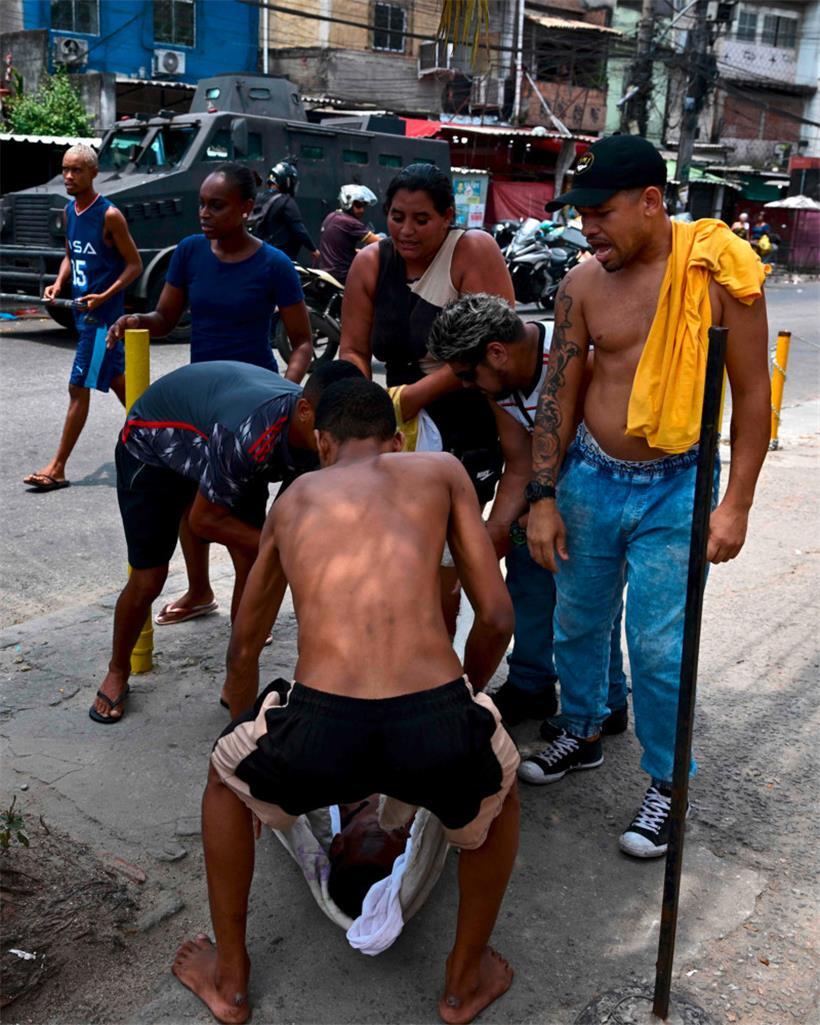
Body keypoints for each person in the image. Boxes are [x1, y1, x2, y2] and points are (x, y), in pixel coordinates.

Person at [172, 379, 519, 1025]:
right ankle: (461, 983)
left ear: (323, 443)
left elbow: (244, 647)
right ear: (396, 442)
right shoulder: (442, 471)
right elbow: (496, 616)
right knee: (499, 792)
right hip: (435, 720)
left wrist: (249, 758)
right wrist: (465, 699)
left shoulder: (295, 497)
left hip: (320, 729)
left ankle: (232, 980)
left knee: (223, 780)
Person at [522, 134, 770, 858]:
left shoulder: (718, 274)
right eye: (581, 213)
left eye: (600, 212)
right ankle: (582, 728)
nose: (587, 228)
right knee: (577, 622)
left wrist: (737, 504)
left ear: (651, 202)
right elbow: (559, 393)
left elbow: (754, 397)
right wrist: (544, 494)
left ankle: (668, 783)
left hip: (680, 484)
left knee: (660, 649)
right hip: (591, 479)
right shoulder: (580, 285)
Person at [89, 359, 361, 725]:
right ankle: (117, 670)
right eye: (327, 437)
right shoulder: (248, 435)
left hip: (218, 444)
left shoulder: (326, 434)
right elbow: (205, 521)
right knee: (149, 578)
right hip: (153, 446)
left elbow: (289, 531)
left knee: (255, 558)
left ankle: (238, 674)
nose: (333, 450)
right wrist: (284, 547)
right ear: (304, 411)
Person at [106, 162, 314, 627]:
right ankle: (199, 591)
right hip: (197, 409)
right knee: (190, 506)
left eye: (216, 205)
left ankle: (245, 631)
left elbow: (302, 341)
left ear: (246, 208)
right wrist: (136, 320)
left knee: (241, 522)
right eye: (202, 204)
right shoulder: (190, 252)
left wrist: (286, 391)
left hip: (250, 415)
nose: (204, 213)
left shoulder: (274, 264)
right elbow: (165, 320)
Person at [428, 293, 627, 731]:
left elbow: (598, 445)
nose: (466, 385)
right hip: (543, 490)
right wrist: (494, 534)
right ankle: (531, 684)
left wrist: (549, 507)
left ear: (496, 353)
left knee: (589, 599)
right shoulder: (500, 383)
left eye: (467, 374)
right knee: (524, 565)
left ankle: (606, 701)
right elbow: (520, 463)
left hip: (599, 485)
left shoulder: (575, 356)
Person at [340, 162, 516, 634]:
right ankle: (398, 651)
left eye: (421, 219)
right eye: (397, 217)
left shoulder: (472, 251)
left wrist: (412, 397)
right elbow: (353, 349)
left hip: (465, 427)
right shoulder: (371, 263)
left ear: (447, 216)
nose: (406, 230)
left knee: (441, 564)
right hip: (396, 427)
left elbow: (495, 345)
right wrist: (366, 406)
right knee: (391, 555)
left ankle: (437, 656)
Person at [22, 144, 142, 492]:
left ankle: (57, 468)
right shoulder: (70, 210)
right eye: (65, 169)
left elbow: (134, 265)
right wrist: (58, 283)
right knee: (119, 381)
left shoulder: (110, 215)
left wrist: (104, 295)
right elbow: (70, 255)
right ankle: (163, 437)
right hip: (80, 313)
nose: (69, 176)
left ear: (94, 173)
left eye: (76, 170)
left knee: (78, 387)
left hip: (101, 319)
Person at [251, 160, 320, 264]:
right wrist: (313, 249)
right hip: (279, 259)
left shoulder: (257, 198)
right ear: (287, 181)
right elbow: (299, 230)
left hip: (257, 256)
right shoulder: (286, 202)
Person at [318, 184, 380, 284]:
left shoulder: (331, 216)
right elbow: (380, 243)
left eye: (363, 206)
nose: (362, 210)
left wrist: (359, 252)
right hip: (342, 275)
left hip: (327, 271)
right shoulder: (350, 222)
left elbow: (338, 248)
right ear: (348, 203)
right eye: (358, 205)